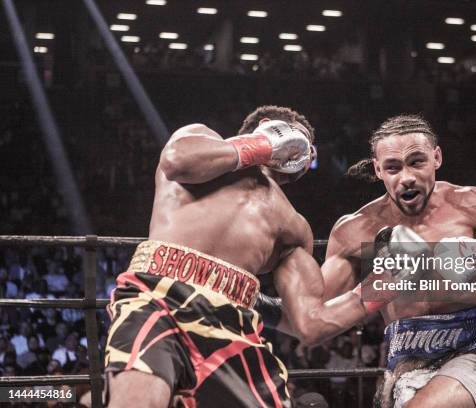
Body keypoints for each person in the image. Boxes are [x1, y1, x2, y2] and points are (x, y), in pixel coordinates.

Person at [104, 105, 401, 408]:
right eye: (303, 141)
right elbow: (177, 161)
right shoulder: (199, 138)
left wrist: (387, 284)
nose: (307, 155)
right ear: (267, 125)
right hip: (158, 296)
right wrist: (265, 145)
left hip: (234, 324)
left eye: (311, 152)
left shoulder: (294, 226)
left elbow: (311, 323)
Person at [312, 114, 476, 408]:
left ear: (436, 157)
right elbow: (316, 318)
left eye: (416, 162)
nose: (407, 177)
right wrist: (382, 284)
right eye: (393, 167)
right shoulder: (354, 230)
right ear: (378, 170)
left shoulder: (470, 204)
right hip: (406, 364)